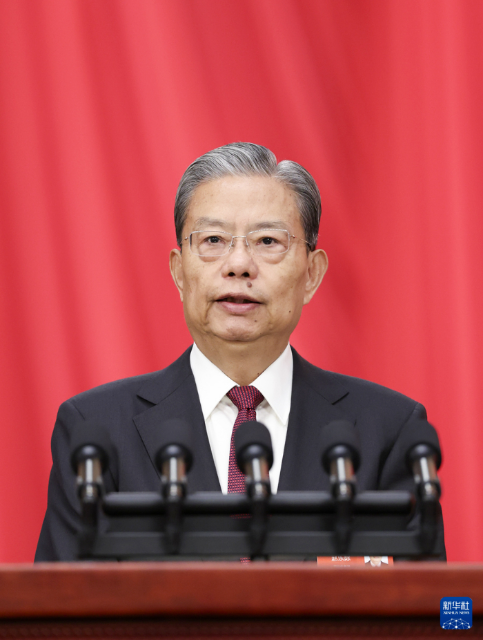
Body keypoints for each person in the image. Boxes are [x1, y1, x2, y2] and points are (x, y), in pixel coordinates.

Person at [35, 142, 445, 561]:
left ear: (311, 273)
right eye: (213, 239)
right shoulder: (96, 432)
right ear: (179, 271)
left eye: (267, 240)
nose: (239, 264)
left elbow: (435, 600)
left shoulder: (388, 430)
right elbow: (61, 600)